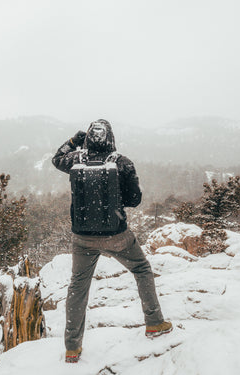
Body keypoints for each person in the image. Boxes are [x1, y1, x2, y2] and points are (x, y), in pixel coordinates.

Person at [52, 119, 172, 363]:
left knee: (78, 286)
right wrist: (112, 199)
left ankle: (72, 347)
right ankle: (154, 323)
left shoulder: (75, 160)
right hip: (117, 234)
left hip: (82, 238)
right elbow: (135, 199)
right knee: (141, 269)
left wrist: (74, 141)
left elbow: (56, 158)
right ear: (111, 138)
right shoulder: (122, 162)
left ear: (87, 139)